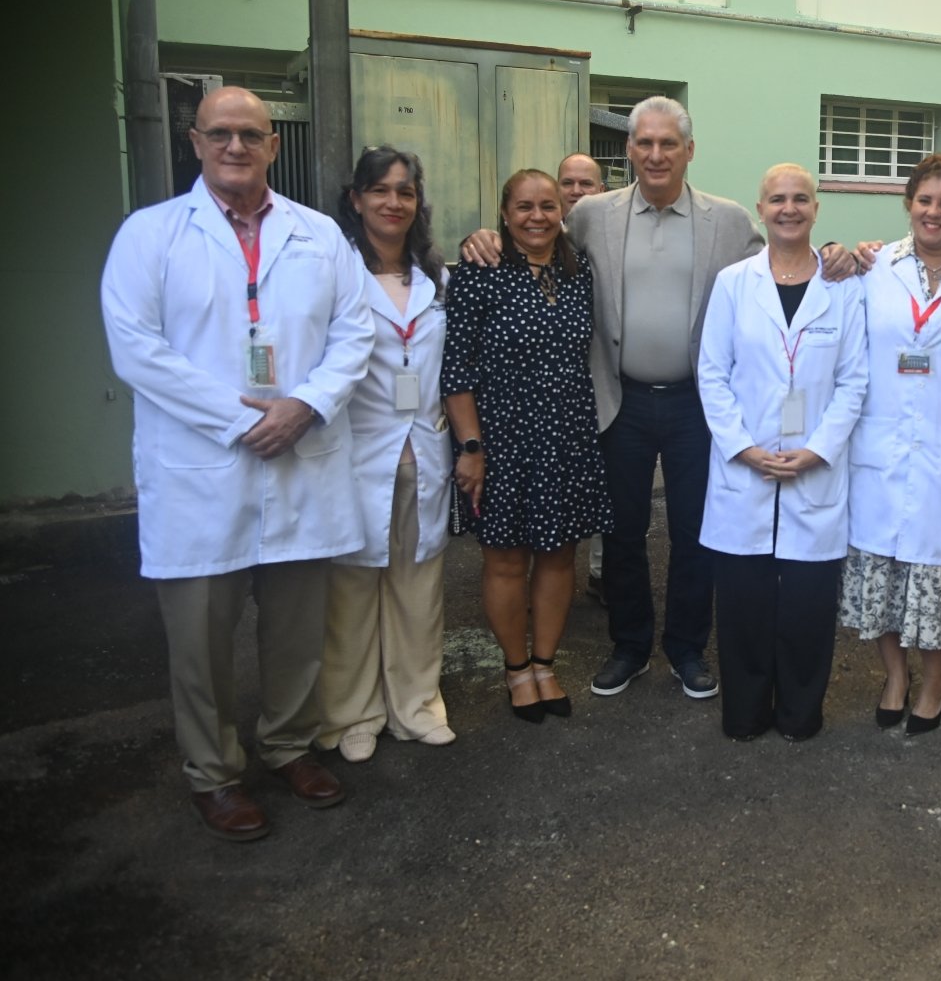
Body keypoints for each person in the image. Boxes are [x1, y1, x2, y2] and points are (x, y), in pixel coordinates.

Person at [100, 86, 373, 841]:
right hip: (201, 469)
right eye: (220, 133)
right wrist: (236, 419)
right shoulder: (150, 235)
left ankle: (288, 746)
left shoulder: (318, 235)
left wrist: (306, 405)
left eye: (251, 134)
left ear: (273, 145)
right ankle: (214, 773)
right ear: (195, 141)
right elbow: (136, 349)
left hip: (300, 455)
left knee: (294, 632)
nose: (236, 147)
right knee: (201, 643)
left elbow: (355, 334)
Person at [462, 98, 792, 702]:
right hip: (619, 401)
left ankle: (688, 648)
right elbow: (530, 239)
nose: (656, 154)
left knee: (696, 532)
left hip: (698, 404)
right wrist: (479, 235)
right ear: (630, 150)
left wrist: (849, 260)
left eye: (669, 144)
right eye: (645, 143)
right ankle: (631, 645)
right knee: (623, 531)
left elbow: (781, 270)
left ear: (689, 151)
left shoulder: (727, 220)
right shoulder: (591, 215)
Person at [697, 165, 868, 740]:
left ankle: (800, 712)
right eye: (777, 199)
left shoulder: (843, 287)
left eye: (800, 199)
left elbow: (855, 381)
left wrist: (819, 450)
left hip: (813, 472)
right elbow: (712, 375)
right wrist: (742, 447)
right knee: (742, 605)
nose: (789, 208)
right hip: (745, 473)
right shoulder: (733, 283)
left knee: (807, 608)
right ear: (761, 209)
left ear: (816, 209)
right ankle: (744, 712)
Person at [443, 170, 612, 723]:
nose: (537, 216)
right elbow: (457, 369)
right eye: (523, 207)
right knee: (508, 558)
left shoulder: (578, 269)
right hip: (502, 435)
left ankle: (546, 664)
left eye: (547, 205)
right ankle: (515, 669)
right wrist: (471, 446)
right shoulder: (479, 270)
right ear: (504, 212)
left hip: (566, 431)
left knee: (559, 554)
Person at [839, 155, 941, 735]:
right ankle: (895, 676)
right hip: (880, 446)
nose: (934, 212)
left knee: (936, 574)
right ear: (908, 203)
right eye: (925, 200)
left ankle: (934, 681)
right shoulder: (873, 269)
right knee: (880, 568)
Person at [319, 145, 455, 763]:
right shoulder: (335, 273)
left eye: (405, 191)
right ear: (356, 200)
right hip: (357, 452)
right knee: (351, 588)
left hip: (424, 451)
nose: (393, 202)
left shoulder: (438, 278)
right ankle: (352, 714)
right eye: (380, 191)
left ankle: (417, 704)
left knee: (418, 585)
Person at [555, 151, 610, 605]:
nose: (576, 191)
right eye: (568, 183)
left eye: (586, 184)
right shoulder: (532, 239)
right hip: (553, 387)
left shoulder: (606, 235)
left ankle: (599, 574)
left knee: (604, 482)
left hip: (603, 382)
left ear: (602, 191)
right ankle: (550, 579)